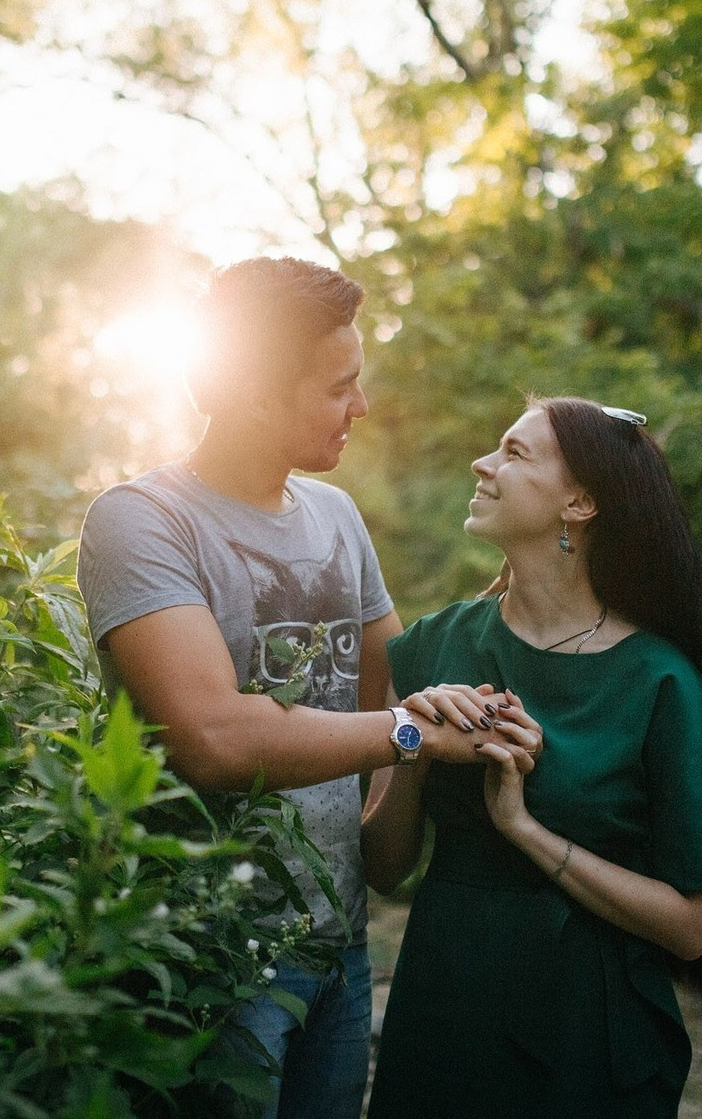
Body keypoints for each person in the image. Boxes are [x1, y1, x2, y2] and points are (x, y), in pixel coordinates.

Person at [76, 258, 522, 1119]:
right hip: (209, 959)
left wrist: (535, 573)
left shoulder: (337, 516)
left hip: (338, 953)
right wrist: (406, 733)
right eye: (338, 387)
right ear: (253, 392)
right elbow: (213, 737)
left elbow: (407, 680)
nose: (362, 406)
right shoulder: (141, 520)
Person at [363, 396, 702, 1117]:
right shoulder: (432, 647)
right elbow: (384, 862)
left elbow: (693, 924)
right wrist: (414, 740)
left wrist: (526, 830)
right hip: (445, 1010)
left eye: (514, 453)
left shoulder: (662, 681)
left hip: (590, 1031)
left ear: (580, 502)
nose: (481, 463)